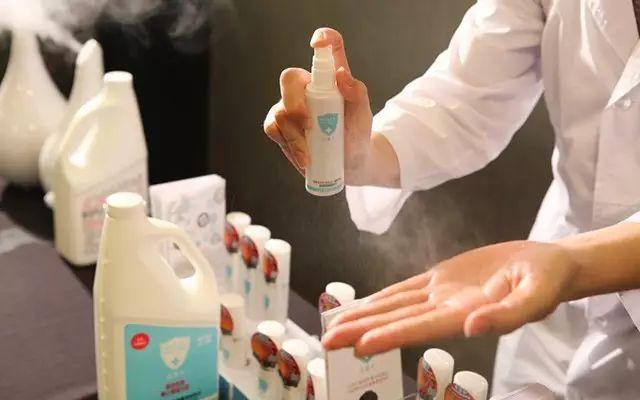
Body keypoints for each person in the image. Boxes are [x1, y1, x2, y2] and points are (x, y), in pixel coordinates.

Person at [263, 2, 640, 399]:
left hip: (559, 277)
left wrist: (578, 263)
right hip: (548, 289)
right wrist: (363, 153)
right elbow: (468, 92)